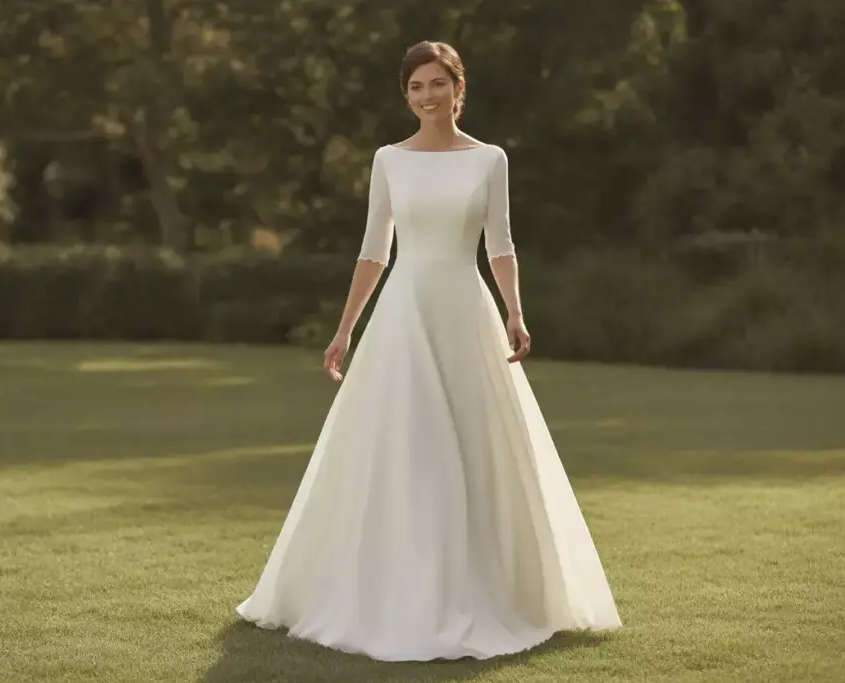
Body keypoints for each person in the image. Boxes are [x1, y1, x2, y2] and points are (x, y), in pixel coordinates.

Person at [236, 40, 621, 662]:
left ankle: (486, 591)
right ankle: (391, 591)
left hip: (466, 313)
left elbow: (500, 244)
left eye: (437, 84)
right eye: (416, 87)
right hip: (403, 314)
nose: (426, 96)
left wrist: (515, 311)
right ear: (406, 95)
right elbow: (373, 251)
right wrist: (345, 330)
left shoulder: (489, 159)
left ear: (457, 87)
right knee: (401, 447)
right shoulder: (389, 159)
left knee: (477, 447)